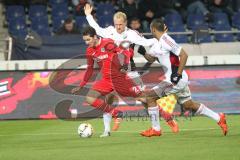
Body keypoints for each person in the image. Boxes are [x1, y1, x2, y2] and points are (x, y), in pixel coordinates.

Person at [84, 3, 179, 134]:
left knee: (144, 99)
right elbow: (96, 28)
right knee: (109, 99)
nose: (118, 27)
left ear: (125, 23)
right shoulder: (109, 31)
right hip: (112, 73)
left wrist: (161, 39)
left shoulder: (132, 34)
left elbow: (147, 42)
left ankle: (168, 118)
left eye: (121, 24)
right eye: (116, 24)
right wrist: (88, 15)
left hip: (129, 71)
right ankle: (106, 130)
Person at [140, 18, 228, 137]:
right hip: (177, 79)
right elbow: (152, 59)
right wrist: (143, 52)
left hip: (174, 79)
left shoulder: (166, 40)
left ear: (153, 29)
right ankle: (219, 117)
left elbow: (184, 55)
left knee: (149, 97)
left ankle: (156, 129)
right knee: (188, 105)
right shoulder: (157, 44)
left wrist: (178, 74)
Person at [72, 26, 142, 137]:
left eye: (88, 40)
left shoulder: (107, 43)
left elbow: (126, 52)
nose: (86, 42)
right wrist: (81, 85)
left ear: (95, 37)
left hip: (120, 78)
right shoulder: (90, 50)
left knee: (143, 98)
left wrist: (125, 65)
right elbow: (89, 68)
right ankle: (110, 125)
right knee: (91, 98)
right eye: (85, 40)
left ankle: (167, 119)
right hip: (106, 79)